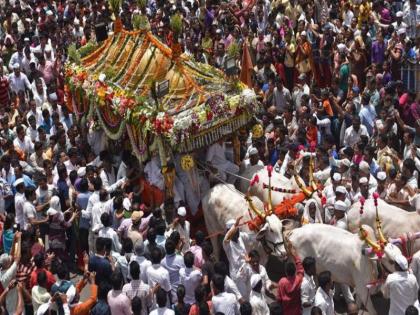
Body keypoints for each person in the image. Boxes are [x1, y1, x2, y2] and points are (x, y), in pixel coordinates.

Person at [277, 243, 304, 315]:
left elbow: (279, 299)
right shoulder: (299, 280)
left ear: (286, 272)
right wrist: (295, 255)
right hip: (298, 312)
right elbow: (300, 269)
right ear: (295, 271)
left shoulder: (282, 282)